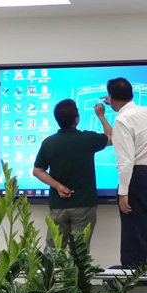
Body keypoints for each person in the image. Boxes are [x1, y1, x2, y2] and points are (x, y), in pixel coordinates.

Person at [95, 77, 147, 266]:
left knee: (133, 242)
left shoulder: (122, 119)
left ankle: (134, 279)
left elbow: (125, 161)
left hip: (136, 180)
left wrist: (123, 192)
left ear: (112, 98)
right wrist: (113, 102)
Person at [33, 99, 111, 248]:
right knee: (79, 253)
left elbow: (38, 171)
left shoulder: (49, 142)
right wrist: (101, 115)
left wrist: (58, 186)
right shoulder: (88, 138)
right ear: (77, 118)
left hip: (58, 205)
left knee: (53, 252)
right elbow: (112, 137)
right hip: (84, 204)